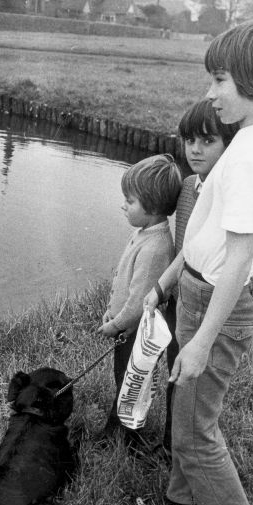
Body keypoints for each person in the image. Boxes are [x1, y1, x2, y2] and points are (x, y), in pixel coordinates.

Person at [144, 20, 253, 505]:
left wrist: (201, 340)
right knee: (185, 408)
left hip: (216, 307)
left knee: (197, 429)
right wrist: (170, 284)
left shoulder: (248, 157)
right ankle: (181, 501)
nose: (211, 93)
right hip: (199, 292)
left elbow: (240, 260)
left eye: (219, 80)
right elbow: (208, 236)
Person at [160, 100, 239, 457]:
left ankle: (189, 448)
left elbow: (248, 257)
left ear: (229, 144)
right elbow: (185, 245)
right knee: (173, 365)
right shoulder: (189, 184)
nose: (194, 149)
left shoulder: (231, 192)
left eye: (208, 141)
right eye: (189, 140)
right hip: (181, 295)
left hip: (212, 299)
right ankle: (170, 442)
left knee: (198, 379)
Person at [97, 153, 182, 447]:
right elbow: (124, 283)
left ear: (153, 206)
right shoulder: (143, 233)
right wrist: (111, 311)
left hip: (135, 334)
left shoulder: (156, 247)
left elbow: (138, 301)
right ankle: (117, 427)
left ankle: (126, 436)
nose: (123, 205)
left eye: (130, 201)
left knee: (131, 383)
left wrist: (117, 324)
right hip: (126, 329)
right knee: (122, 378)